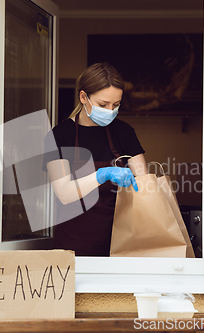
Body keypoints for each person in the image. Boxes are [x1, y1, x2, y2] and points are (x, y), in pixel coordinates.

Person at [45, 62, 148, 256]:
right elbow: (64, 194)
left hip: (120, 244)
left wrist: (140, 184)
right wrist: (103, 175)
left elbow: (145, 185)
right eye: (103, 104)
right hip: (72, 246)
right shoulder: (60, 136)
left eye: (116, 105)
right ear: (83, 97)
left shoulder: (124, 133)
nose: (110, 110)